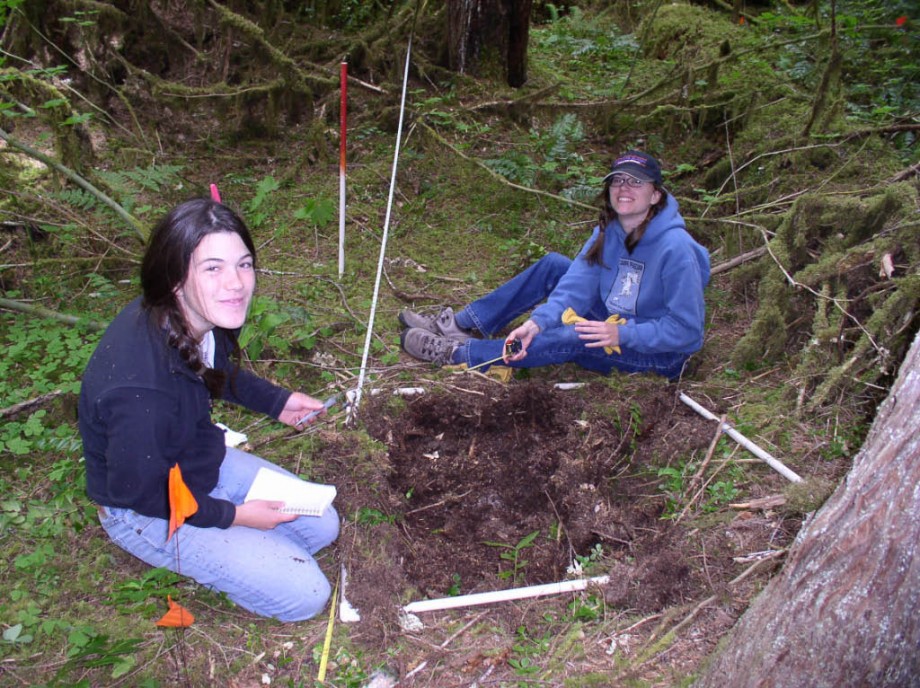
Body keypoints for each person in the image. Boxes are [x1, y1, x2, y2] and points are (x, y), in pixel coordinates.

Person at [79, 198, 339, 622]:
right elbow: (140, 491)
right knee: (305, 595)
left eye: (244, 264)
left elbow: (212, 369)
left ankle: (243, 545)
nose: (235, 284)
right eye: (213, 268)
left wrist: (278, 402)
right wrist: (236, 516)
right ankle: (219, 550)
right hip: (146, 506)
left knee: (322, 524)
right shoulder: (140, 388)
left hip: (195, 459)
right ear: (175, 275)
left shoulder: (194, 319)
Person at [399, 151, 710, 381]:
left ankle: (459, 353)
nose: (623, 188)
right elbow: (577, 286)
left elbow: (687, 332)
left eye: (636, 182)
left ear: (655, 194)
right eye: (617, 180)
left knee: (575, 335)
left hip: (655, 354)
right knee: (554, 266)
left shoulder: (676, 250)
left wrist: (622, 335)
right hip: (616, 320)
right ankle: (464, 325)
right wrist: (538, 323)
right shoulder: (609, 231)